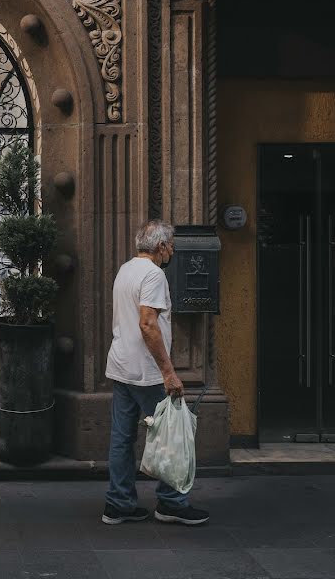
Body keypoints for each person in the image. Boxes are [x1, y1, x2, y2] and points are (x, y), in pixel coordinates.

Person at [102, 220, 209, 526]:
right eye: (171, 245)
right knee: (172, 435)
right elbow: (148, 324)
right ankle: (172, 503)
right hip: (147, 372)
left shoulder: (127, 269)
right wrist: (169, 373)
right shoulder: (153, 274)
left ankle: (118, 503)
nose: (172, 251)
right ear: (161, 247)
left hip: (121, 366)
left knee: (122, 438)